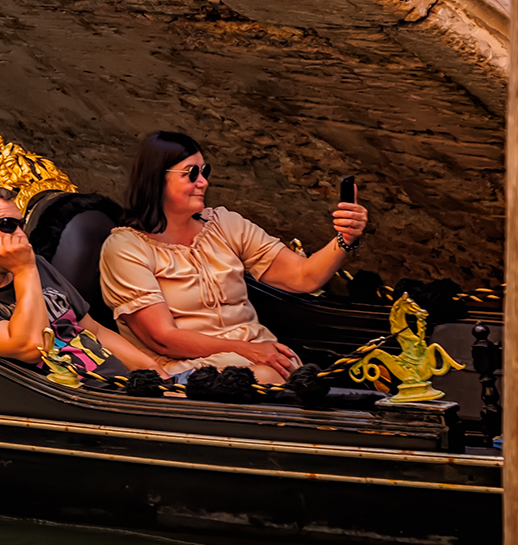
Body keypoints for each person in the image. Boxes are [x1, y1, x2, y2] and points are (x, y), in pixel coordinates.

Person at [99, 131, 369, 384]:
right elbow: (163, 339)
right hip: (186, 373)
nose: (203, 182)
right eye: (191, 173)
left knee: (286, 374)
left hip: (262, 359)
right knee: (269, 375)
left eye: (205, 171)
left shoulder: (225, 224)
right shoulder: (125, 248)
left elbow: (303, 276)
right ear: (156, 179)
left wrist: (344, 239)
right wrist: (249, 351)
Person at [0, 185, 161, 371]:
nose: (20, 235)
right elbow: (33, 348)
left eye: (21, 225)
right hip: (72, 405)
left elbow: (95, 331)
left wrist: (154, 373)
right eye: (7, 225)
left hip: (121, 387)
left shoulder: (36, 265)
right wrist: (24, 271)